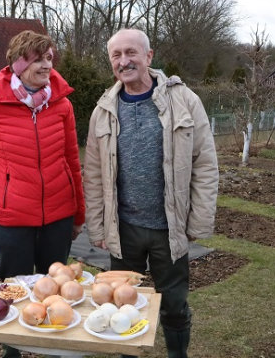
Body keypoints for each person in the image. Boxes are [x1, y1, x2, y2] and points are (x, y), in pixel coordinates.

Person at [83, 28, 218, 358]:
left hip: (168, 229)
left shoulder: (184, 101)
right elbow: (94, 175)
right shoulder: (104, 109)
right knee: (121, 303)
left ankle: (177, 354)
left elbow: (205, 165)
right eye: (116, 55)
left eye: (131, 53)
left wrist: (197, 225)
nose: (124, 61)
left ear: (149, 56)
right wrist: (98, 228)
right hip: (124, 228)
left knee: (173, 305)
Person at [0, 30, 85, 358]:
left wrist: (78, 212)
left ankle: (53, 349)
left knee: (55, 289)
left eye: (49, 58)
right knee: (12, 291)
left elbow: (72, 159)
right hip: (10, 220)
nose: (47, 66)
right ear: (19, 63)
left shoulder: (62, 105)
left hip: (58, 214)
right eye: (38, 59)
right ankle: (12, 352)